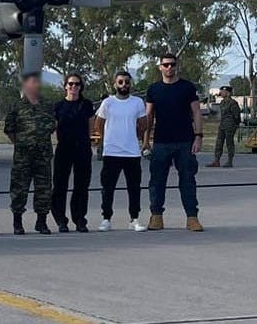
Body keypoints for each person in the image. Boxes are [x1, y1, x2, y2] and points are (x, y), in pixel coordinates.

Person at [144, 53, 204, 231]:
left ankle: (192, 217)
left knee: (188, 180)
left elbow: (196, 112)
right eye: (166, 64)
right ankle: (156, 216)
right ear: (160, 67)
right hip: (161, 142)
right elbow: (149, 116)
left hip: (185, 141)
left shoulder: (187, 87)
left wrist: (198, 136)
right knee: (157, 181)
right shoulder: (153, 89)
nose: (169, 67)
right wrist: (146, 140)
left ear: (177, 66)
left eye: (172, 64)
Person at [3, 72, 57, 235]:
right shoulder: (17, 106)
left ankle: (41, 222)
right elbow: (9, 129)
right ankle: (17, 222)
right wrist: (21, 143)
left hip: (43, 155)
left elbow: (52, 127)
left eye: (37, 83)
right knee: (19, 190)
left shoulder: (48, 106)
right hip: (23, 156)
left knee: (44, 190)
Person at [94, 71, 148, 233]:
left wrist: (134, 136)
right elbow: (98, 124)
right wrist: (106, 140)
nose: (124, 85)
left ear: (130, 84)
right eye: (120, 82)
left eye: (126, 82)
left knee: (134, 188)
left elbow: (143, 124)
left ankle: (134, 219)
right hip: (111, 153)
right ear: (115, 84)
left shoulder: (137, 102)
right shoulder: (108, 103)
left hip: (132, 153)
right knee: (107, 188)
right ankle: (106, 219)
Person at [51, 73, 95, 233]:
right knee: (60, 185)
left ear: (81, 87)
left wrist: (86, 141)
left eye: (77, 84)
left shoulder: (86, 105)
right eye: (70, 84)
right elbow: (55, 127)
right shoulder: (58, 106)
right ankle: (60, 220)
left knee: (81, 185)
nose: (74, 87)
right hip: (64, 148)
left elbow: (91, 126)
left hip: (82, 148)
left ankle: (80, 219)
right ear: (65, 86)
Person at [209, 85, 241, 168]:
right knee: (219, 142)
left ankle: (230, 161)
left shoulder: (233, 103)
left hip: (230, 125)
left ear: (228, 93)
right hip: (222, 125)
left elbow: (237, 115)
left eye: (223, 92)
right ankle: (217, 161)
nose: (221, 93)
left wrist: (235, 125)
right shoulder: (222, 102)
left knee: (229, 143)